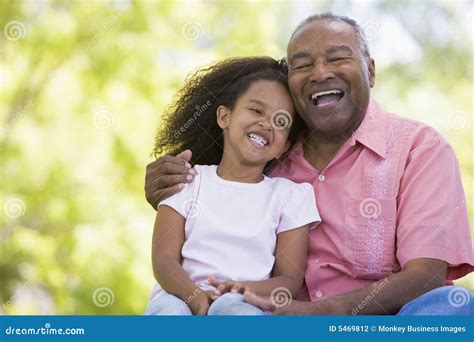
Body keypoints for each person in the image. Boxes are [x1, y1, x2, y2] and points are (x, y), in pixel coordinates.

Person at [145, 13, 474, 315]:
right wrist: (164, 188)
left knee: (450, 306)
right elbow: (210, 204)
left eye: (338, 57)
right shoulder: (267, 156)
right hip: (277, 321)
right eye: (302, 65)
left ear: (370, 71)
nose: (320, 72)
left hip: (387, 323)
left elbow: (427, 275)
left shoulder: (418, 148)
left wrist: (331, 312)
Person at [144, 57, 321, 316]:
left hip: (245, 299)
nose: (266, 123)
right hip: (180, 293)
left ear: (284, 146)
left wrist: (241, 289)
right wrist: (196, 298)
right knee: (168, 312)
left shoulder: (290, 196)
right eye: (256, 110)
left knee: (232, 310)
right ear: (224, 116)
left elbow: (289, 281)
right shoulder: (187, 180)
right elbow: (163, 259)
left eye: (281, 122)